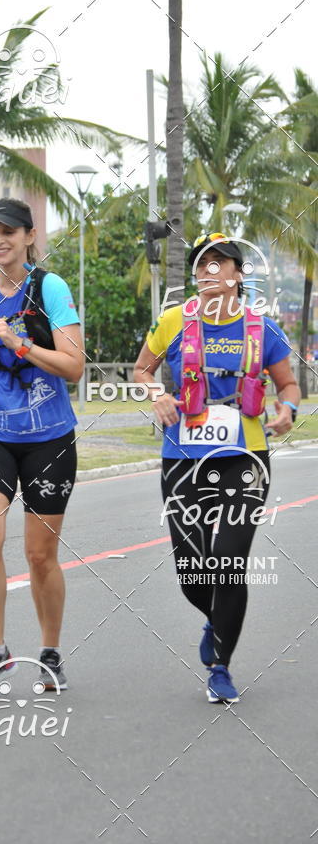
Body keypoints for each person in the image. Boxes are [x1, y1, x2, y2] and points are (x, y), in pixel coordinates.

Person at [133, 232, 300, 703]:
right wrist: (158, 395)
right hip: (182, 458)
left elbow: (288, 385)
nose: (209, 271)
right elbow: (141, 370)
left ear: (238, 275)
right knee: (192, 571)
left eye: (220, 263)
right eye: (202, 263)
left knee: (227, 563)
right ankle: (215, 617)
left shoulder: (260, 328)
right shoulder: (172, 321)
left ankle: (221, 666)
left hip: (245, 460)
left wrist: (287, 409)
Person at [0, 198, 84, 696]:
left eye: (9, 231)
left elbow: (74, 366)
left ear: (29, 236)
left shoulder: (50, 289)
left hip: (50, 437)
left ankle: (49, 653)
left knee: (40, 555)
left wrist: (18, 341)